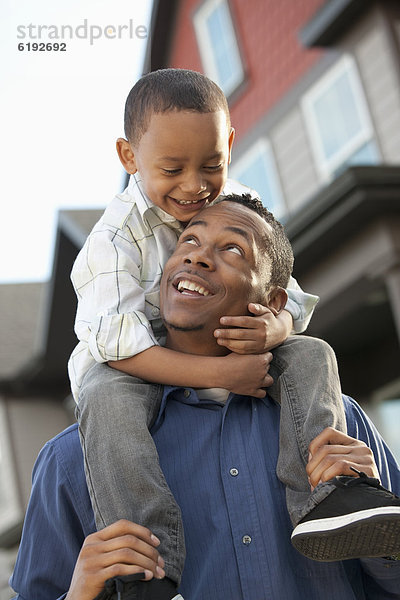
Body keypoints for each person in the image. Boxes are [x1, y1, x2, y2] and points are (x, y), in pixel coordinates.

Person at [66, 69, 398, 599]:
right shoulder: (113, 241)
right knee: (106, 396)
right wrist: (219, 372)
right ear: (130, 158)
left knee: (312, 351)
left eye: (211, 164)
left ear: (229, 146)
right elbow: (118, 344)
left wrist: (275, 327)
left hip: (244, 358)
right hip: (126, 369)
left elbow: (289, 295)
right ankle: (147, 568)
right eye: (172, 168)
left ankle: (330, 498)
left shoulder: (240, 204)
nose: (195, 185)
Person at [10, 196, 400, 600]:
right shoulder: (73, 457)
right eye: (189, 242)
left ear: (274, 303)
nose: (198, 259)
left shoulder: (339, 424)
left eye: (233, 248)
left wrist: (381, 539)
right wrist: (78, 596)